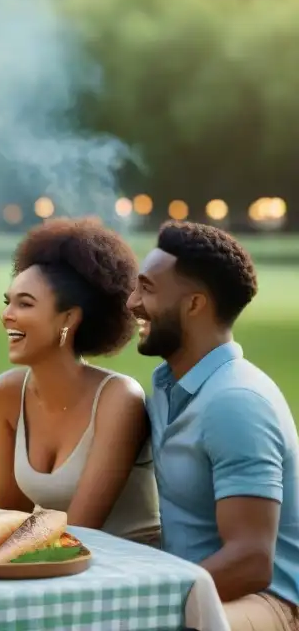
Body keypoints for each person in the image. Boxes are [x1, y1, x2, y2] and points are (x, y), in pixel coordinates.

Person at [129, 221, 299, 629]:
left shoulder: (235, 402)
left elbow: (251, 562)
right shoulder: (169, 386)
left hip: (268, 602)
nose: (132, 302)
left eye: (148, 289)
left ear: (194, 305)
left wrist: (149, 600)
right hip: (200, 590)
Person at [0, 217, 161, 543]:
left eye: (24, 303)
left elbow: (83, 531)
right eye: (7, 301)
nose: (7, 315)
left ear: (69, 317)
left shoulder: (119, 399)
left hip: (132, 569)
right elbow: (10, 516)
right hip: (57, 563)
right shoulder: (8, 393)